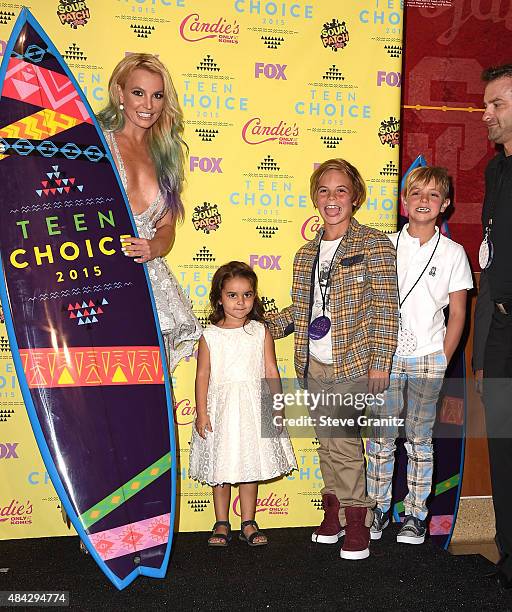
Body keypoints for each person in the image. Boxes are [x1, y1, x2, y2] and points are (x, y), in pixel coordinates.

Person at [266, 159, 398, 560]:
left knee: (342, 441)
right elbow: (304, 308)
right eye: (324, 190)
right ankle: (335, 514)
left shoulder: (373, 243)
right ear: (314, 198)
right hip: (312, 363)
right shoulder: (305, 254)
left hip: (353, 361)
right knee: (326, 443)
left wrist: (380, 361)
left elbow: (386, 307)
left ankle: (359, 521)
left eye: (341, 190)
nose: (332, 199)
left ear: (355, 196)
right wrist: (265, 325)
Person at [366, 166, 473, 545]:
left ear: (444, 204)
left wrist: (442, 359)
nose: (423, 201)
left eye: (432, 195)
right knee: (381, 438)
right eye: (416, 194)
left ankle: (415, 515)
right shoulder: (384, 246)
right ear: (404, 201)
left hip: (429, 356)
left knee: (419, 441)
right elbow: (373, 304)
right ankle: (376, 508)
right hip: (386, 358)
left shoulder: (454, 253)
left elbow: (458, 313)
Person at [97, 53, 201, 373]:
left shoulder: (165, 154)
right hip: (103, 276)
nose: (148, 104)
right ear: (119, 94)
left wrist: (153, 246)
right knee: (108, 387)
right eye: (138, 93)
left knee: (155, 391)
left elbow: (166, 228)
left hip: (151, 284)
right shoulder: (98, 142)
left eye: (157, 95)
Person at [188, 261, 296, 547]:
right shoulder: (209, 335)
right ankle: (221, 522)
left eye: (247, 294)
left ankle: (248, 521)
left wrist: (277, 405)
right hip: (221, 409)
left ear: (254, 297)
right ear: (219, 298)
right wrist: (201, 413)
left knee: (251, 465)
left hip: (253, 406)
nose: (240, 302)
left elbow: (271, 370)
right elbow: (202, 375)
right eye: (232, 295)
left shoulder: (261, 331)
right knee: (221, 468)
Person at [473, 64, 512, 591]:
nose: (486, 114)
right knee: (503, 442)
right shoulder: (493, 172)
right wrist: (482, 352)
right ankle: (508, 553)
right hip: (502, 329)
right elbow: (490, 260)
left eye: (497, 105)